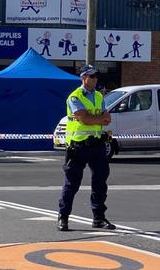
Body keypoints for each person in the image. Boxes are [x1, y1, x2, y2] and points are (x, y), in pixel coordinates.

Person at [57, 64, 114, 232]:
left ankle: (99, 218)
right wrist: (97, 118)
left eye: (96, 76)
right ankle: (63, 217)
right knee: (72, 184)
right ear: (83, 78)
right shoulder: (74, 97)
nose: (95, 79)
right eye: (91, 76)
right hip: (78, 146)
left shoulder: (98, 96)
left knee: (100, 183)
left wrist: (93, 118)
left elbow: (107, 118)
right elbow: (84, 119)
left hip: (97, 145)